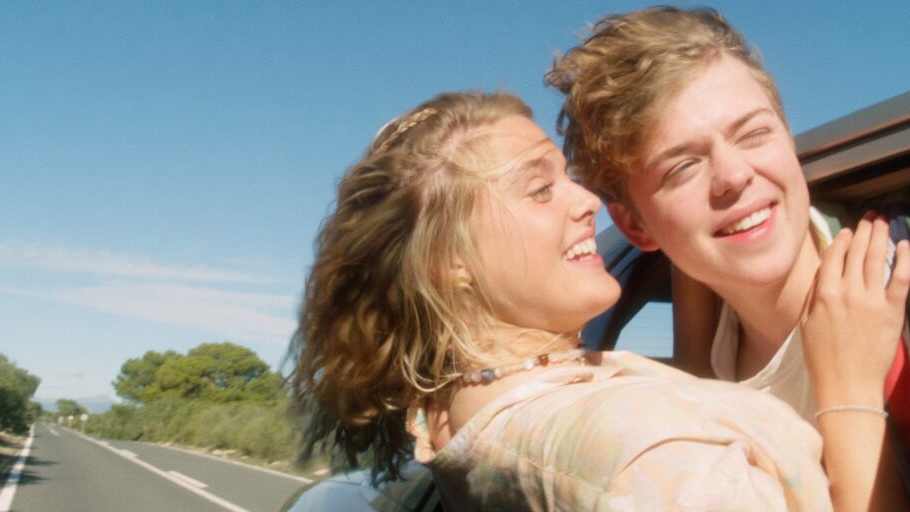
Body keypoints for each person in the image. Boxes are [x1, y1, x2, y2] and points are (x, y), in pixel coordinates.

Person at [289, 90, 909, 510]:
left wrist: (688, 249)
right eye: (540, 190)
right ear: (447, 262)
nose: (587, 202)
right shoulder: (636, 461)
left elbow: (687, 387)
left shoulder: (476, 418)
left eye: (567, 178)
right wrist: (851, 390)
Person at [546, 6, 910, 509]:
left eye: (754, 134)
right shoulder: (707, 373)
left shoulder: (897, 294)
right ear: (635, 227)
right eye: (682, 167)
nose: (734, 175)